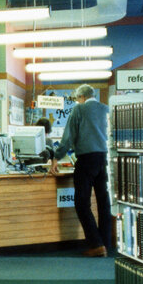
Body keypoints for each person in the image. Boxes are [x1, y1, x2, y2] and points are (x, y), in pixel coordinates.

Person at [50, 84, 111, 257]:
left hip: (86, 160)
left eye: (77, 98)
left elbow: (68, 137)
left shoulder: (79, 110)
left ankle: (96, 244)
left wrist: (56, 157)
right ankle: (106, 242)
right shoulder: (106, 110)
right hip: (105, 158)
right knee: (103, 203)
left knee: (82, 202)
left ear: (81, 97)